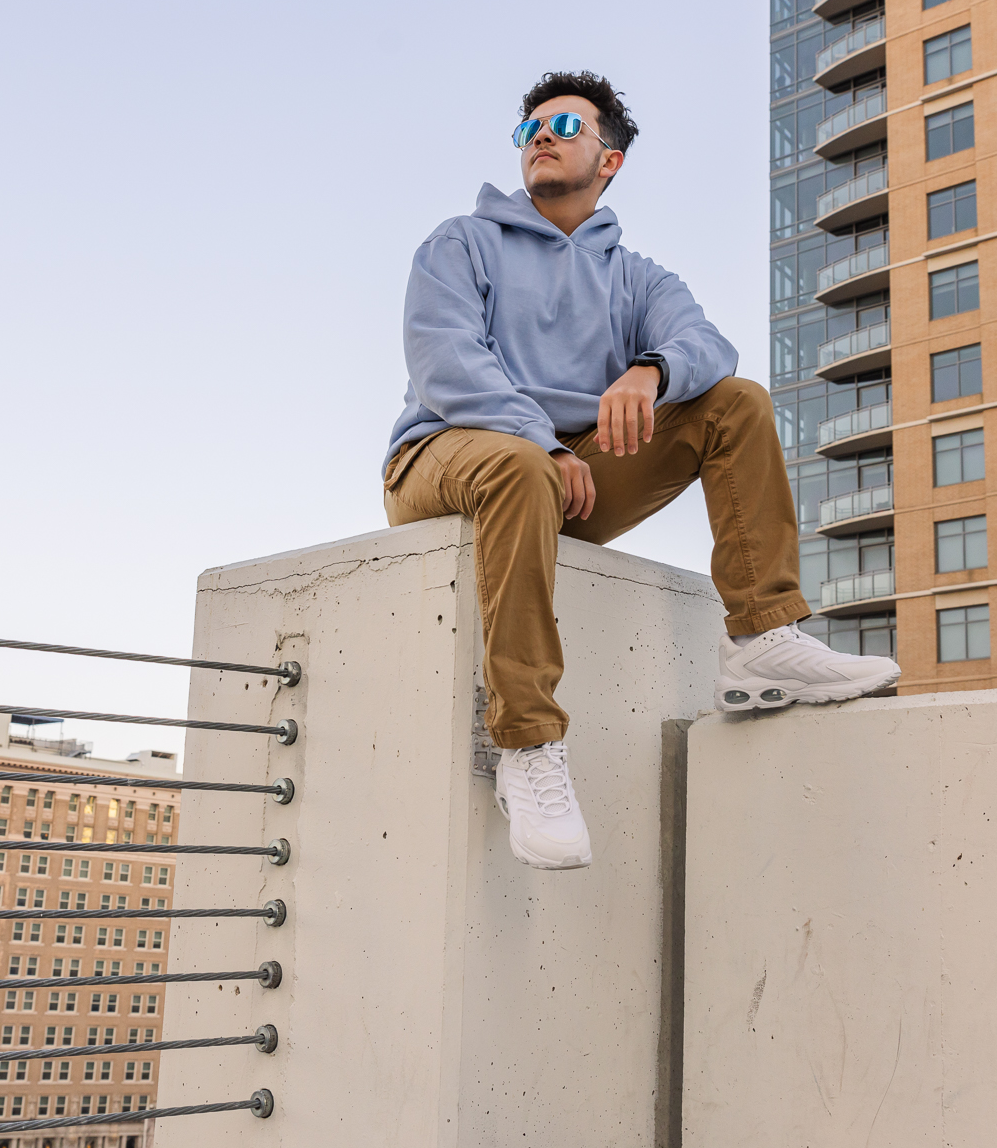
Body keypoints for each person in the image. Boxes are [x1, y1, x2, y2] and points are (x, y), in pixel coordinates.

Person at [381, 71, 901, 871]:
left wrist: (650, 372)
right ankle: (528, 743)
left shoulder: (636, 277)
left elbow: (707, 343)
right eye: (529, 129)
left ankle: (762, 635)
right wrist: (542, 441)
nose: (541, 137)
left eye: (562, 123)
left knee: (737, 402)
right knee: (520, 465)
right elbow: (447, 361)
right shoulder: (462, 241)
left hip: (565, 479)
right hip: (447, 456)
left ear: (610, 159)